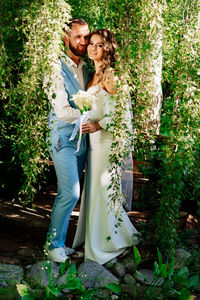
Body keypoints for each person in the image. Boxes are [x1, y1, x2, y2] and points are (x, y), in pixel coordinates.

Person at [72, 29, 140, 265]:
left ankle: (104, 243)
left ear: (108, 48)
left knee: (103, 189)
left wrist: (99, 125)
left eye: (99, 45)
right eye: (91, 44)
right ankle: (98, 236)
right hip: (94, 143)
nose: (92, 48)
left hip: (106, 141)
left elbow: (123, 115)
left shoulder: (110, 74)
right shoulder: (94, 74)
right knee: (95, 190)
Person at [45, 19, 91, 263]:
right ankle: (53, 245)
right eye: (78, 37)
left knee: (74, 191)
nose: (83, 42)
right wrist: (92, 116)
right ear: (66, 38)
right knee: (70, 193)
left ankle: (60, 243)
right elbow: (62, 111)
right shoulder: (54, 68)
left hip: (82, 140)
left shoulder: (86, 67)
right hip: (63, 138)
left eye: (86, 37)